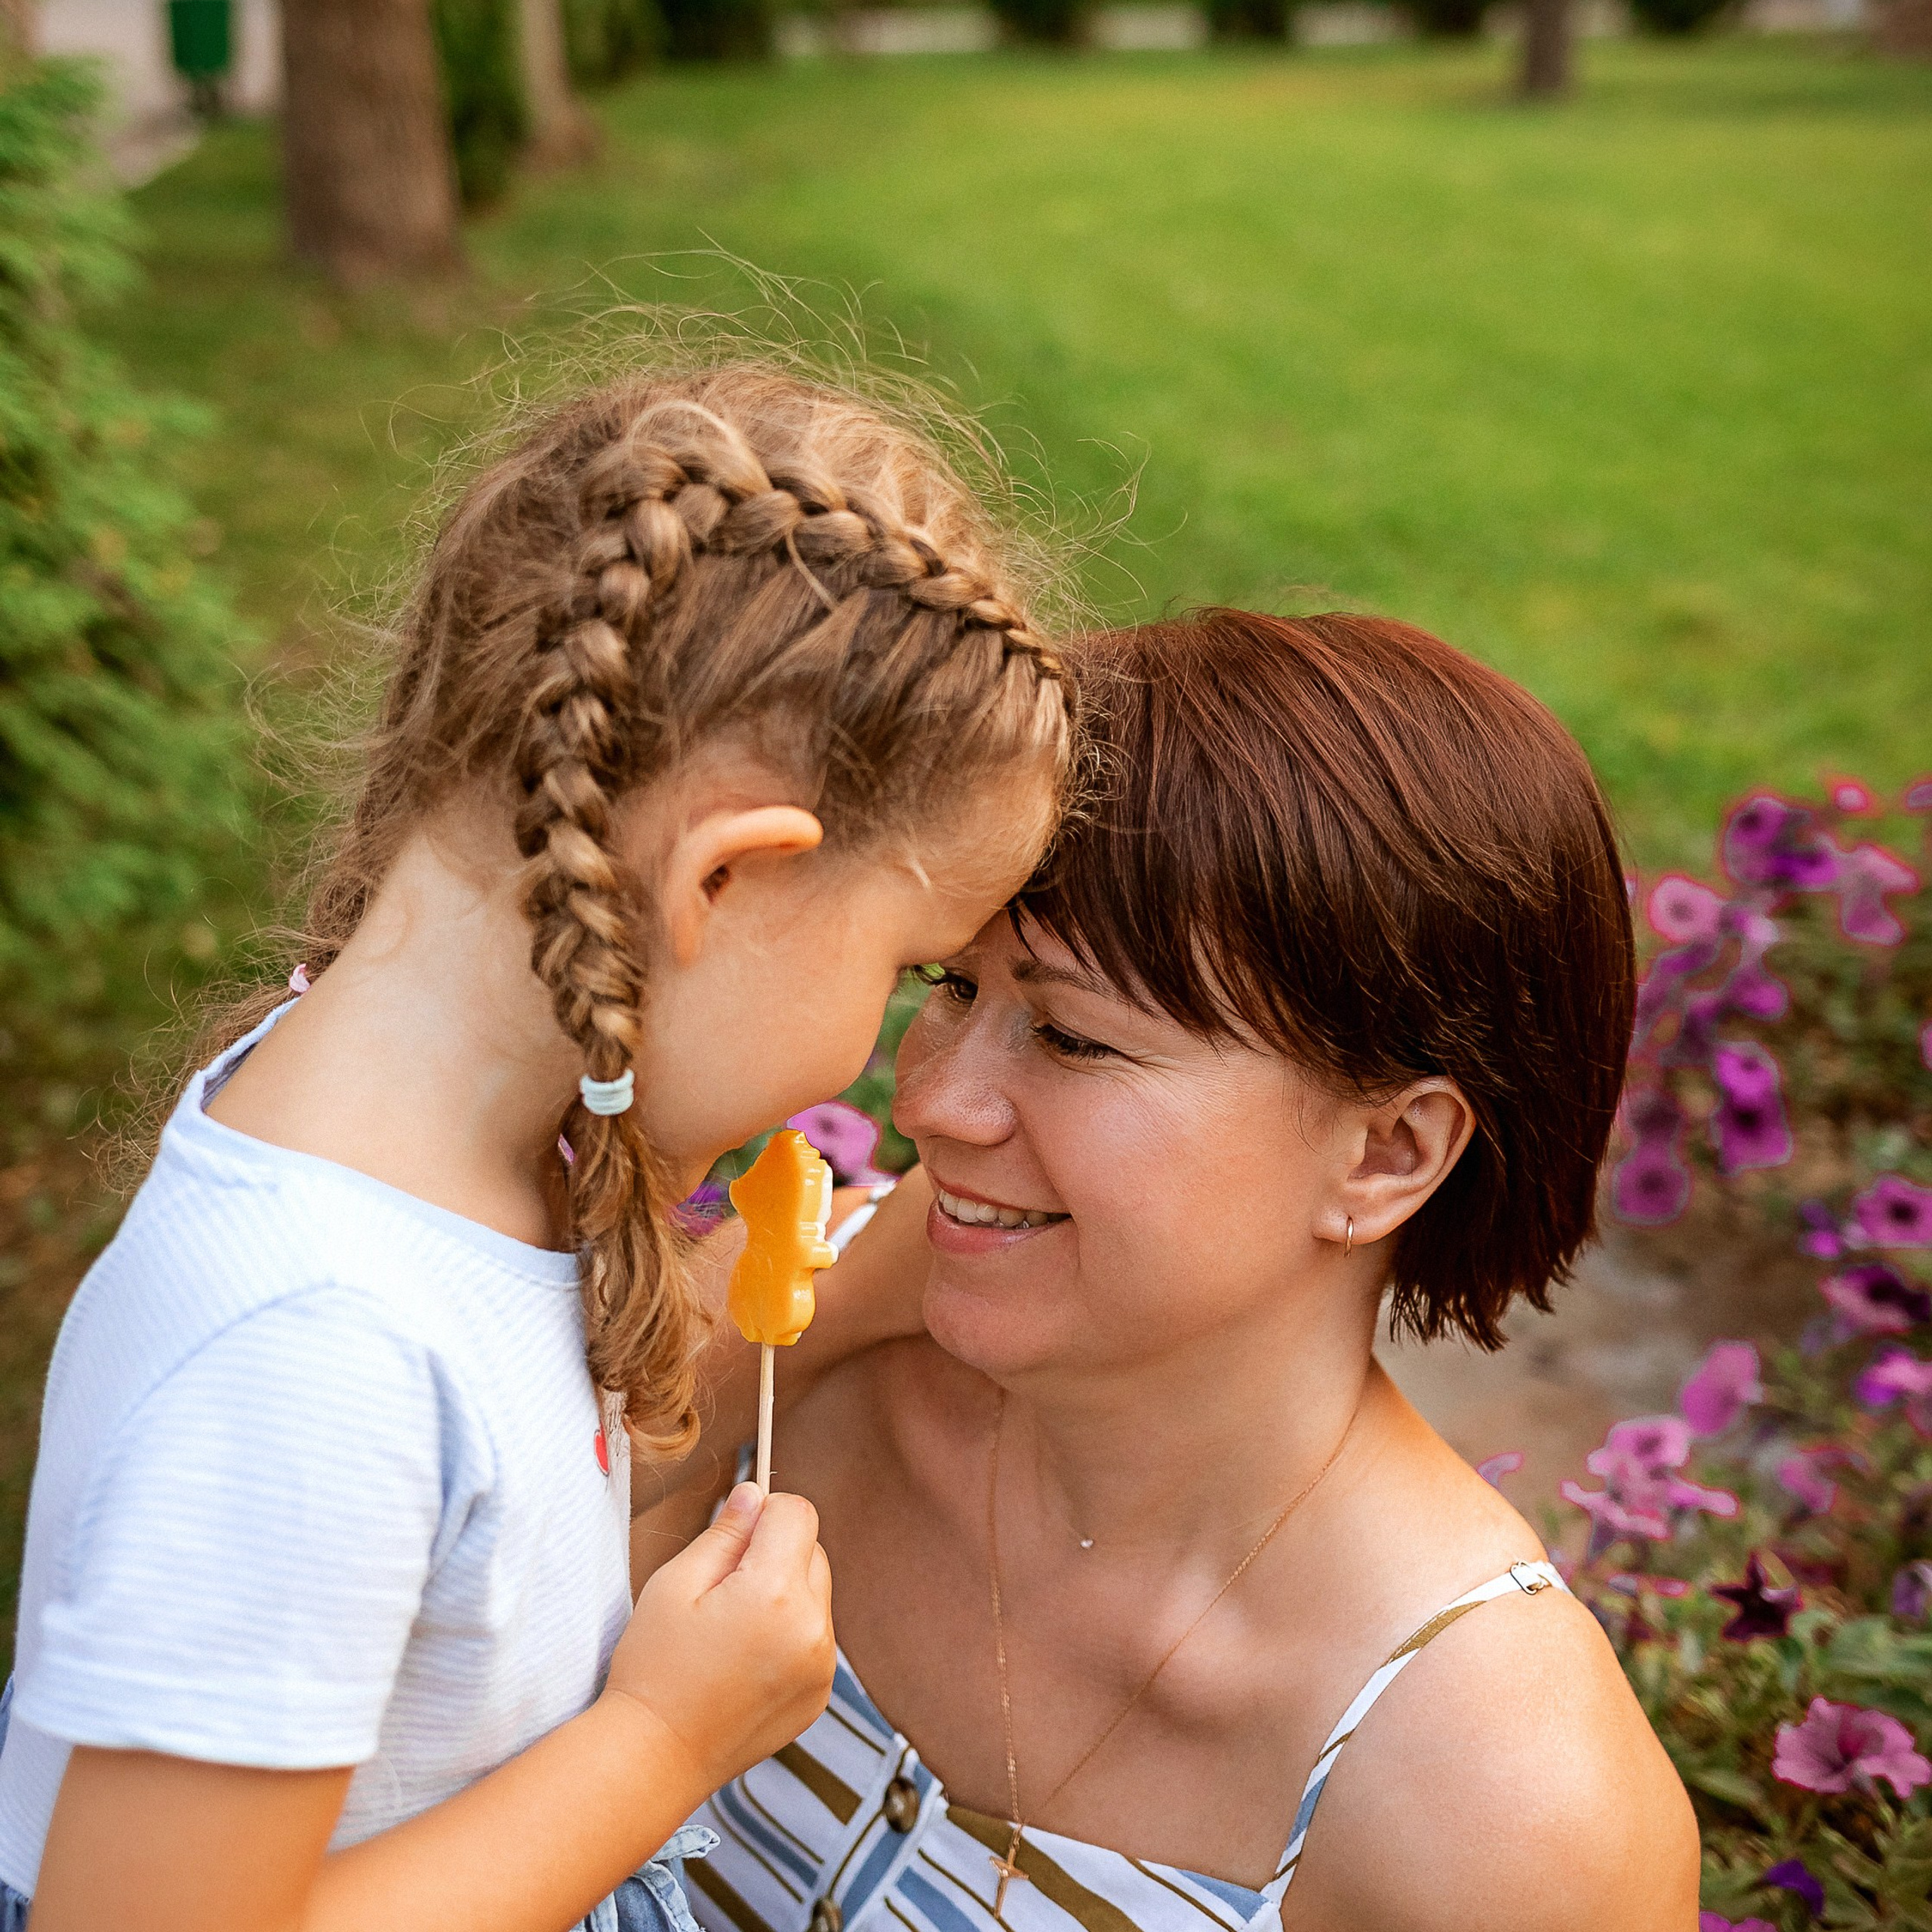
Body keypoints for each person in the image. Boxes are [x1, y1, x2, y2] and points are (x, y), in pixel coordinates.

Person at [0, 367, 1072, 1932]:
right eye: (912, 965)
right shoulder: (315, 1353)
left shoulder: (459, 1155)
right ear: (724, 884)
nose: (897, 1059)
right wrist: (664, 1739)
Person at [641, 610, 1702, 1931]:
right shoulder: (815, 1335)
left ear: (1386, 1151)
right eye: (952, 985)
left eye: (1075, 1040)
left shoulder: (1501, 1806)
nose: (931, 1098)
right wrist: (834, 1298)